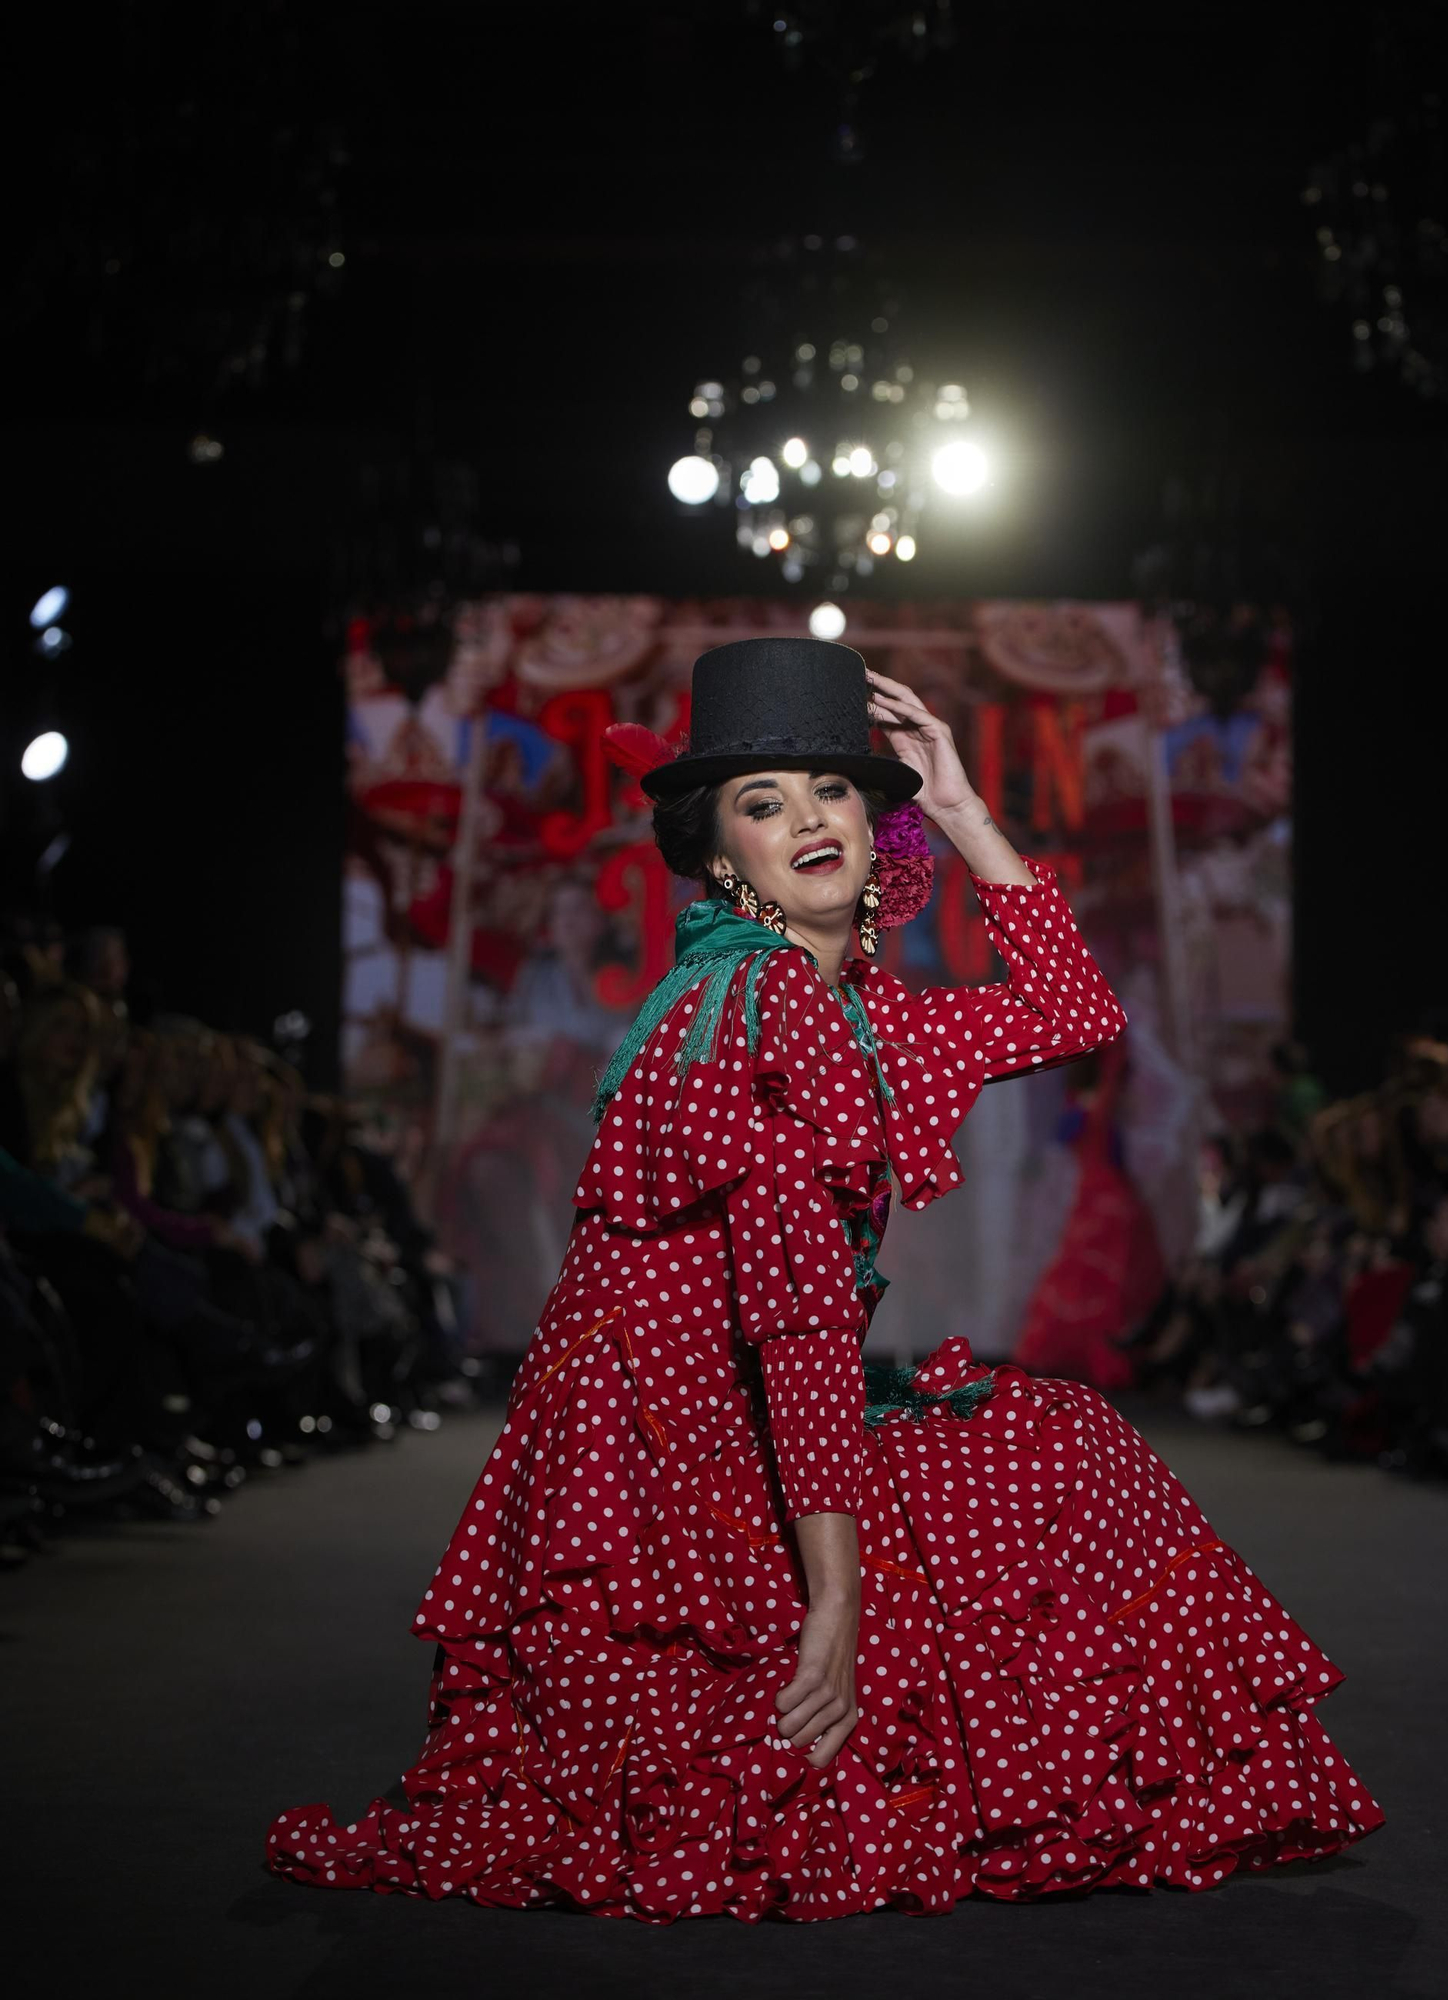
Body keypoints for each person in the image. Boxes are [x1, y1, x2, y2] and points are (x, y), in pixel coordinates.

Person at [268, 639, 1381, 1921]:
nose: (806, 817)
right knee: (1044, 1464)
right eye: (762, 801)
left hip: (703, 1434)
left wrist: (960, 807)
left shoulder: (848, 1007)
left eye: (832, 788)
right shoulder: (762, 1002)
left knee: (1050, 1451)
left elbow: (1078, 1012)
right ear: (717, 855)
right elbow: (794, 1322)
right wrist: (834, 1604)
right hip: (674, 1465)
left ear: (872, 815)